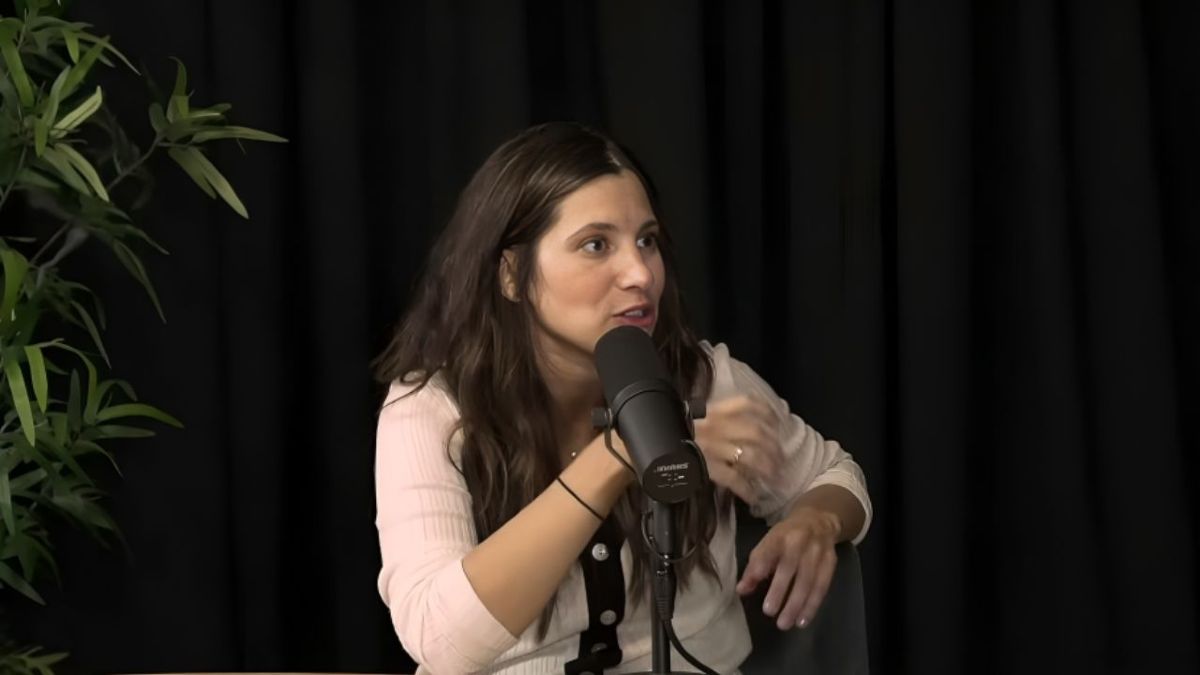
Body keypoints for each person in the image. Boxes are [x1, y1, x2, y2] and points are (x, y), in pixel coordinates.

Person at [374, 122, 872, 674]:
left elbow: (835, 475)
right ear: (512, 274)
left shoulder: (703, 380)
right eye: (596, 245)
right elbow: (438, 641)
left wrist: (816, 520)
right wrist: (617, 455)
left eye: (647, 241)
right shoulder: (433, 411)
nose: (640, 273)